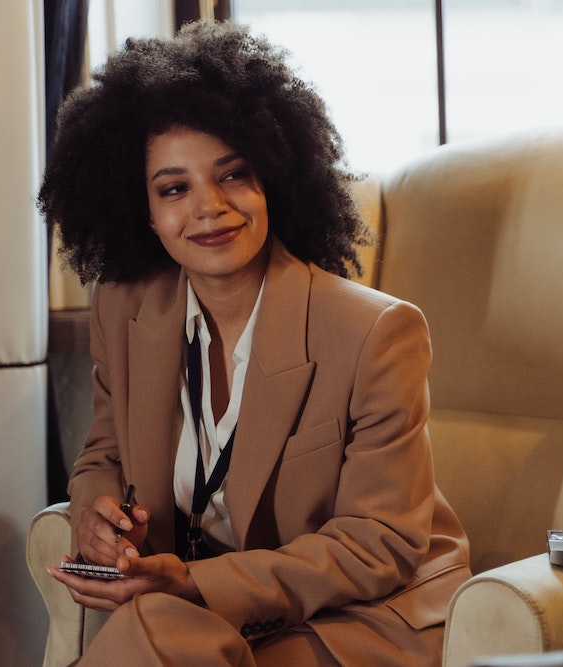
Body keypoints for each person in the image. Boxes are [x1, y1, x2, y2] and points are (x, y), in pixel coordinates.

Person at [37, 19, 471, 667]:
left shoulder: (377, 332)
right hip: (196, 611)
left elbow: (378, 543)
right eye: (174, 188)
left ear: (273, 178)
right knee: (162, 629)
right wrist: (95, 517)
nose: (209, 206)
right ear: (145, 212)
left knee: (157, 628)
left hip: (356, 612)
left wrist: (190, 582)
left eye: (233, 174)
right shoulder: (124, 308)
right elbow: (104, 449)